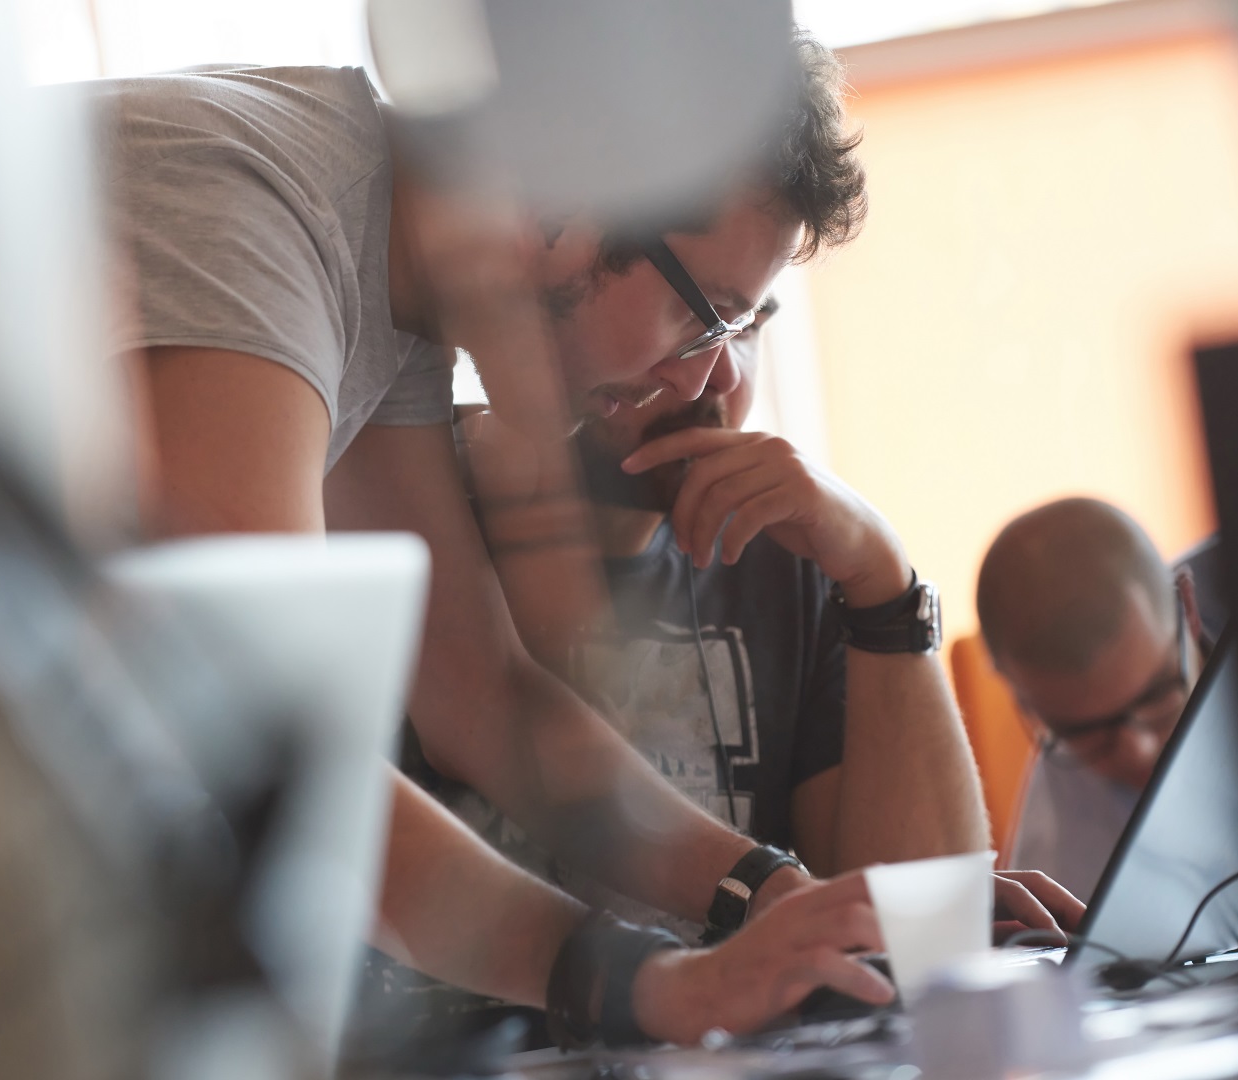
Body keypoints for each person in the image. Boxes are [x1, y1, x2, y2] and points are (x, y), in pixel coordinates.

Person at [89, 32, 1067, 1044]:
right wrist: (652, 985)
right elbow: (269, 743)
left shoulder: (393, 285)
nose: (707, 382)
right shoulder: (245, 207)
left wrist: (769, 893)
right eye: (707, 319)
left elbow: (480, 692)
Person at [437, 304, 1080, 935]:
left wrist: (884, 581)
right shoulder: (427, 543)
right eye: (694, 328)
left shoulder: (792, 561)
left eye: (748, 330)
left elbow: (920, 937)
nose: (724, 378)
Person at [974, 498, 1224, 902]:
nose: (1137, 752)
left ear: (1187, 608)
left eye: (1158, 694)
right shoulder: (1056, 844)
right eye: (1084, 731)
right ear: (1022, 702)